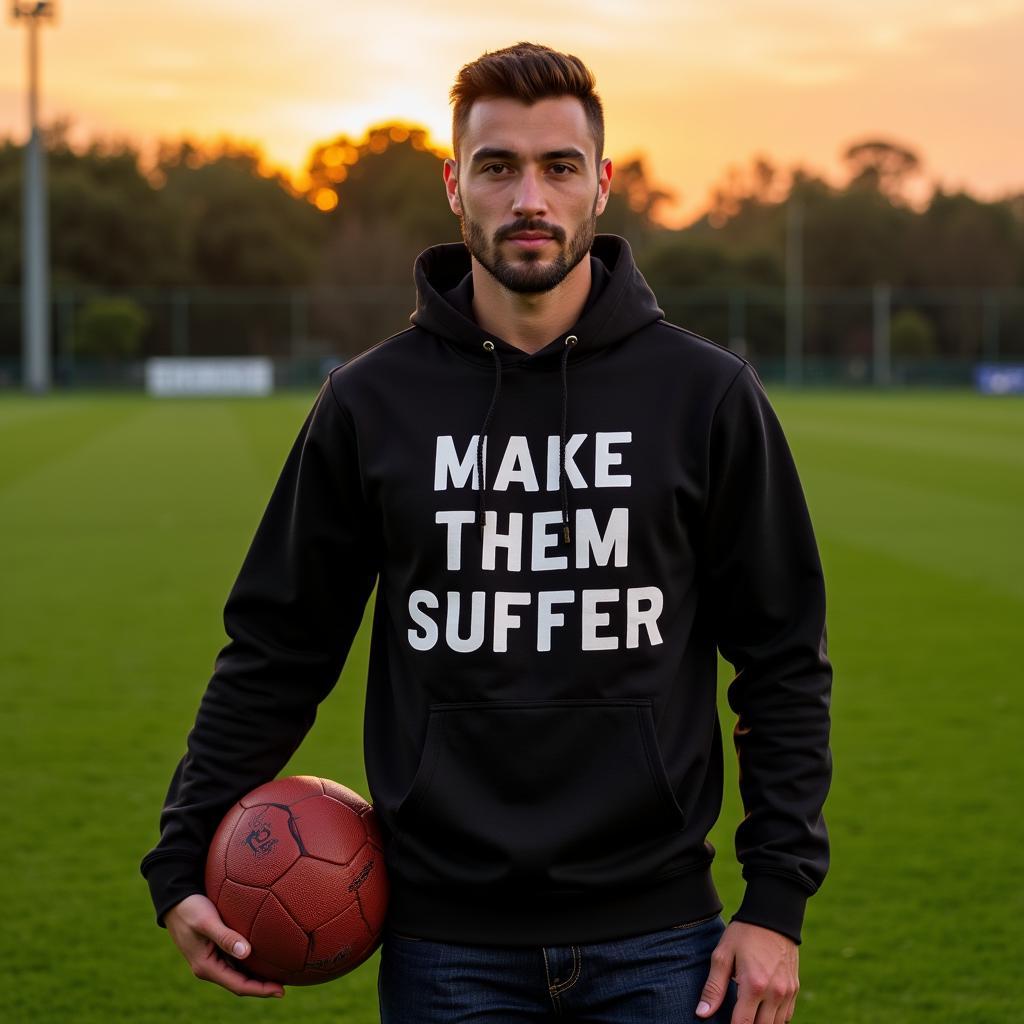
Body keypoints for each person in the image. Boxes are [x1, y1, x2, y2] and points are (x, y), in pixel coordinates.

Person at [141, 41, 832, 1024]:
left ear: (601, 181)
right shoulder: (370, 403)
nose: (529, 197)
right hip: (445, 949)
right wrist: (181, 857)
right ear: (454, 186)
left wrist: (777, 903)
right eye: (496, 166)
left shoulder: (704, 395)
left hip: (661, 940)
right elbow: (278, 646)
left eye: (557, 166)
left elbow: (781, 660)